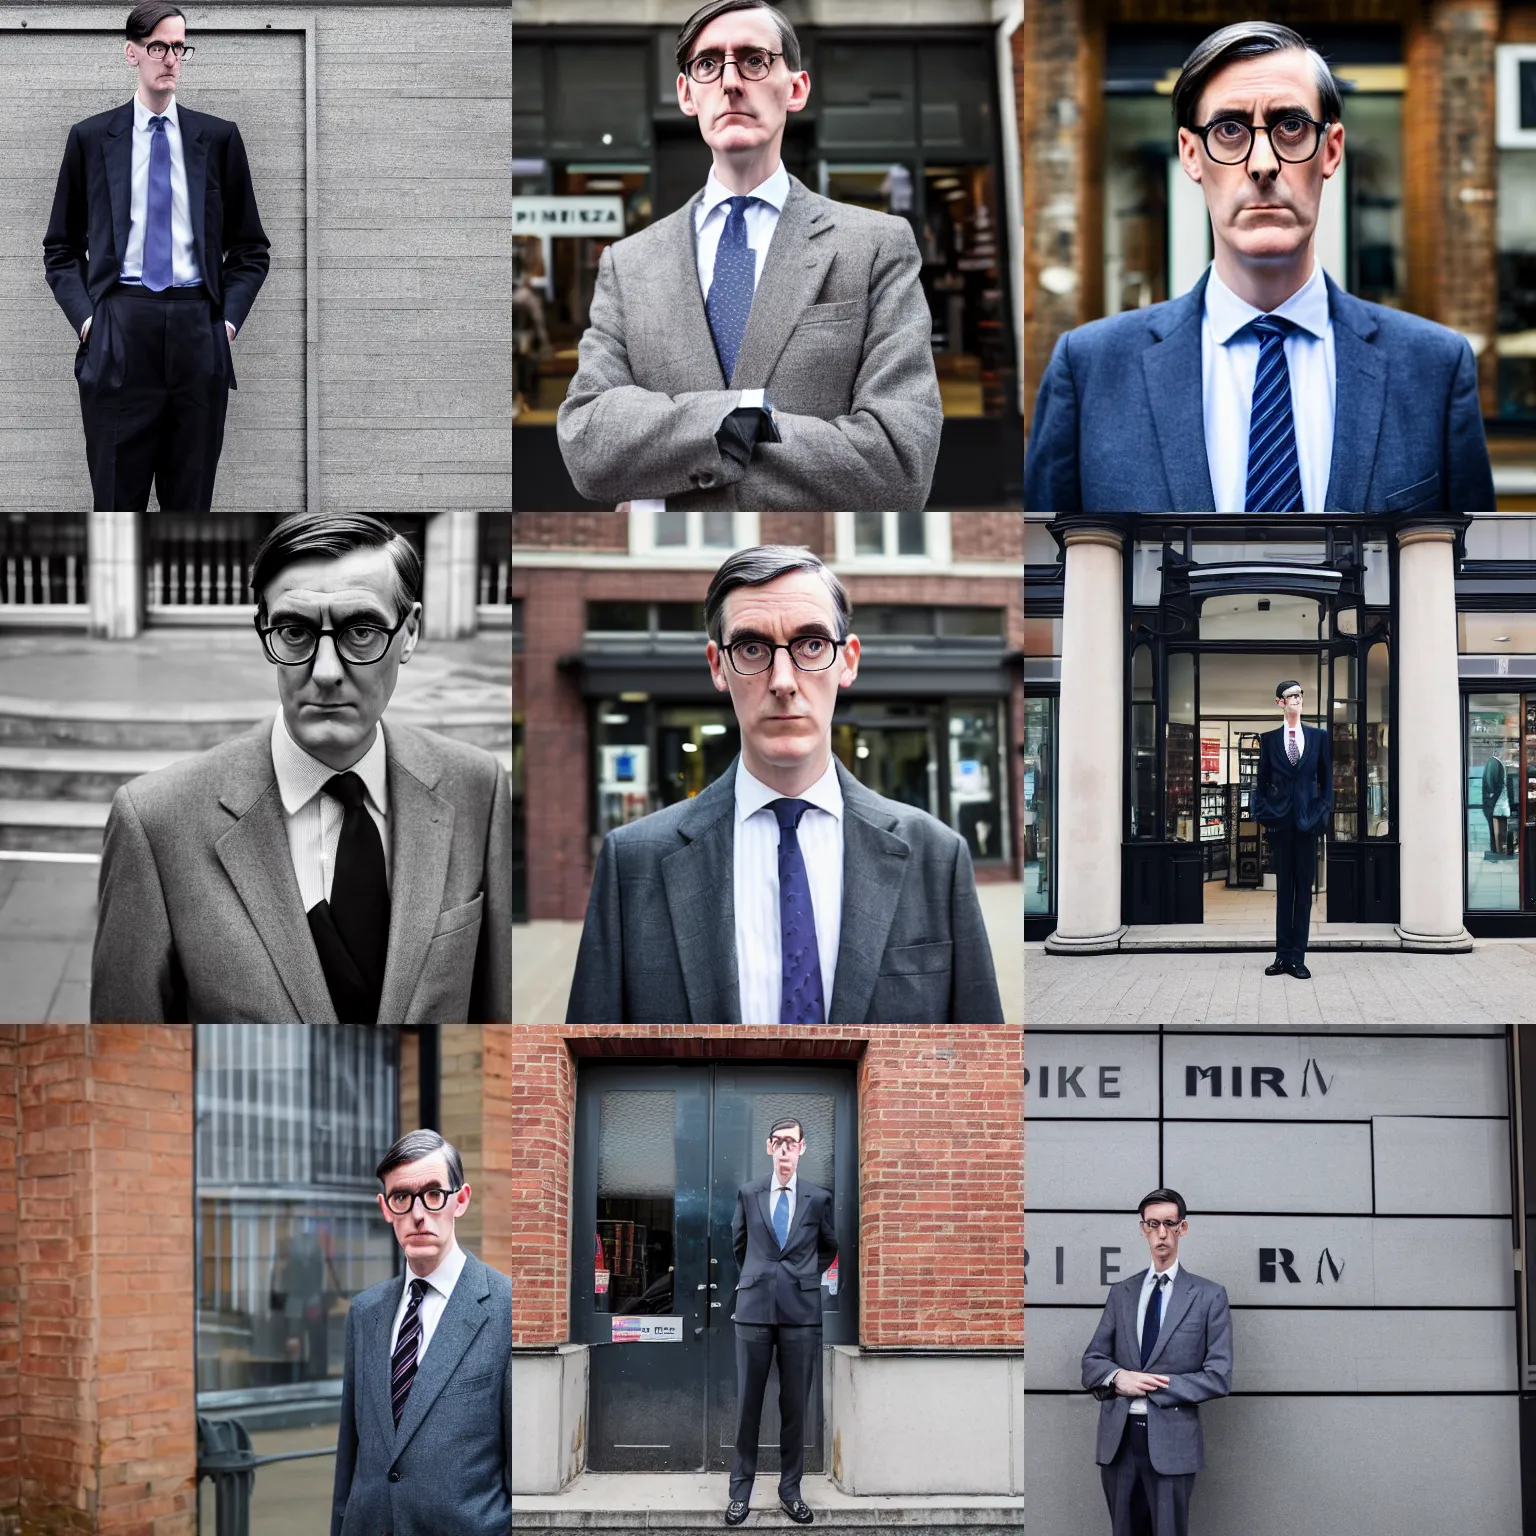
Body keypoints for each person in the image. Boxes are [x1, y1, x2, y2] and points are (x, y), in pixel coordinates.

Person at [1024, 21, 1495, 514]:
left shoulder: (1433, 369)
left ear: (1331, 150)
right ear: (1191, 154)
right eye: (1229, 130)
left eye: (1291, 126)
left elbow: (1471, 578)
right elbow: (1049, 579)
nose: (1262, 162)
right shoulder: (1090, 369)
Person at [90, 512, 511, 1024]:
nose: (327, 672)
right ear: (262, 630)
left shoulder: (479, 788)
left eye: (361, 630)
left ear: (411, 632)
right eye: (294, 631)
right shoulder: (156, 821)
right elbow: (126, 1046)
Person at [565, 544, 1004, 1024]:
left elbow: (979, 1049)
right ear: (717, 666)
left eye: (811, 645)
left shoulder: (937, 856)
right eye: (751, 648)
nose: (782, 681)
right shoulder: (632, 862)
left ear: (848, 661)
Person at [556, 0, 941, 512]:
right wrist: (742, 417)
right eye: (708, 64)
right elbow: (587, 442)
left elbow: (898, 464)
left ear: (796, 87)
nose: (731, 82)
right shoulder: (629, 264)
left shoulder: (875, 245)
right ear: (686, 93)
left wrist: (668, 483)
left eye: (755, 60)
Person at [42, 2, 270, 513]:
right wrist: (88, 323)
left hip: (198, 330)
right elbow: (59, 248)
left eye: (180, 47)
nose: (171, 58)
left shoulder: (218, 138)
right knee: (118, 509)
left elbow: (251, 248)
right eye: (159, 47)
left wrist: (225, 324)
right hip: (120, 327)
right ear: (132, 52)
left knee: (190, 510)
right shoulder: (91, 138)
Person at [331, 1130, 511, 1536]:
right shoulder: (365, 1312)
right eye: (401, 1197)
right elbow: (350, 1459)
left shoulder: (505, 1308)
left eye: (433, 1194)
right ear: (386, 1208)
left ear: (460, 1200)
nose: (417, 1214)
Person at [1080, 1188, 1232, 1536]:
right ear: (1142, 1229)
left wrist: (1154, 1385)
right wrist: (1118, 1377)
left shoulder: (1209, 1296)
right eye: (1153, 1224)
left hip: (1172, 1444)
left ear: (1183, 1228)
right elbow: (1092, 1361)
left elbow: (1219, 1376)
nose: (1161, 1233)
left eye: (1169, 1223)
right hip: (1118, 1445)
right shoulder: (1122, 1293)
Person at [726, 1116, 837, 1527]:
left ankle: (790, 1491)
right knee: (748, 1408)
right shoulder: (748, 1193)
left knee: (794, 1409)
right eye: (779, 1142)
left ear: (803, 1148)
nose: (786, 1149)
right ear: (769, 1147)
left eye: (792, 1142)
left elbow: (829, 1246)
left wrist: (800, 1277)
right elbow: (740, 1244)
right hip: (754, 1312)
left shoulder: (818, 1198)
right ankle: (740, 1493)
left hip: (801, 1317)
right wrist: (761, 1277)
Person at [1250, 677, 1332, 979]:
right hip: (1281, 827)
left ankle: (1298, 957)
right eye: (1290, 695)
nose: (1296, 699)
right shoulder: (1269, 740)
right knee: (1284, 892)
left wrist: (1322, 815)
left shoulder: (1319, 737)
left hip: (1308, 826)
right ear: (1280, 703)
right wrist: (1264, 814)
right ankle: (1281, 956)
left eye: (1299, 694)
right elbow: (1260, 784)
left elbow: (1327, 782)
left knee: (1304, 894)